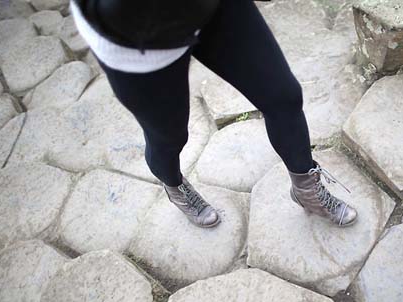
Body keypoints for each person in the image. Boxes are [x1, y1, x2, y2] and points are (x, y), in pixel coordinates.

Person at [70, 0, 358, 228]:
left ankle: (307, 191)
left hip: (210, 7)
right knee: (169, 137)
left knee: (283, 96)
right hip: (134, 35)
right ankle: (175, 186)